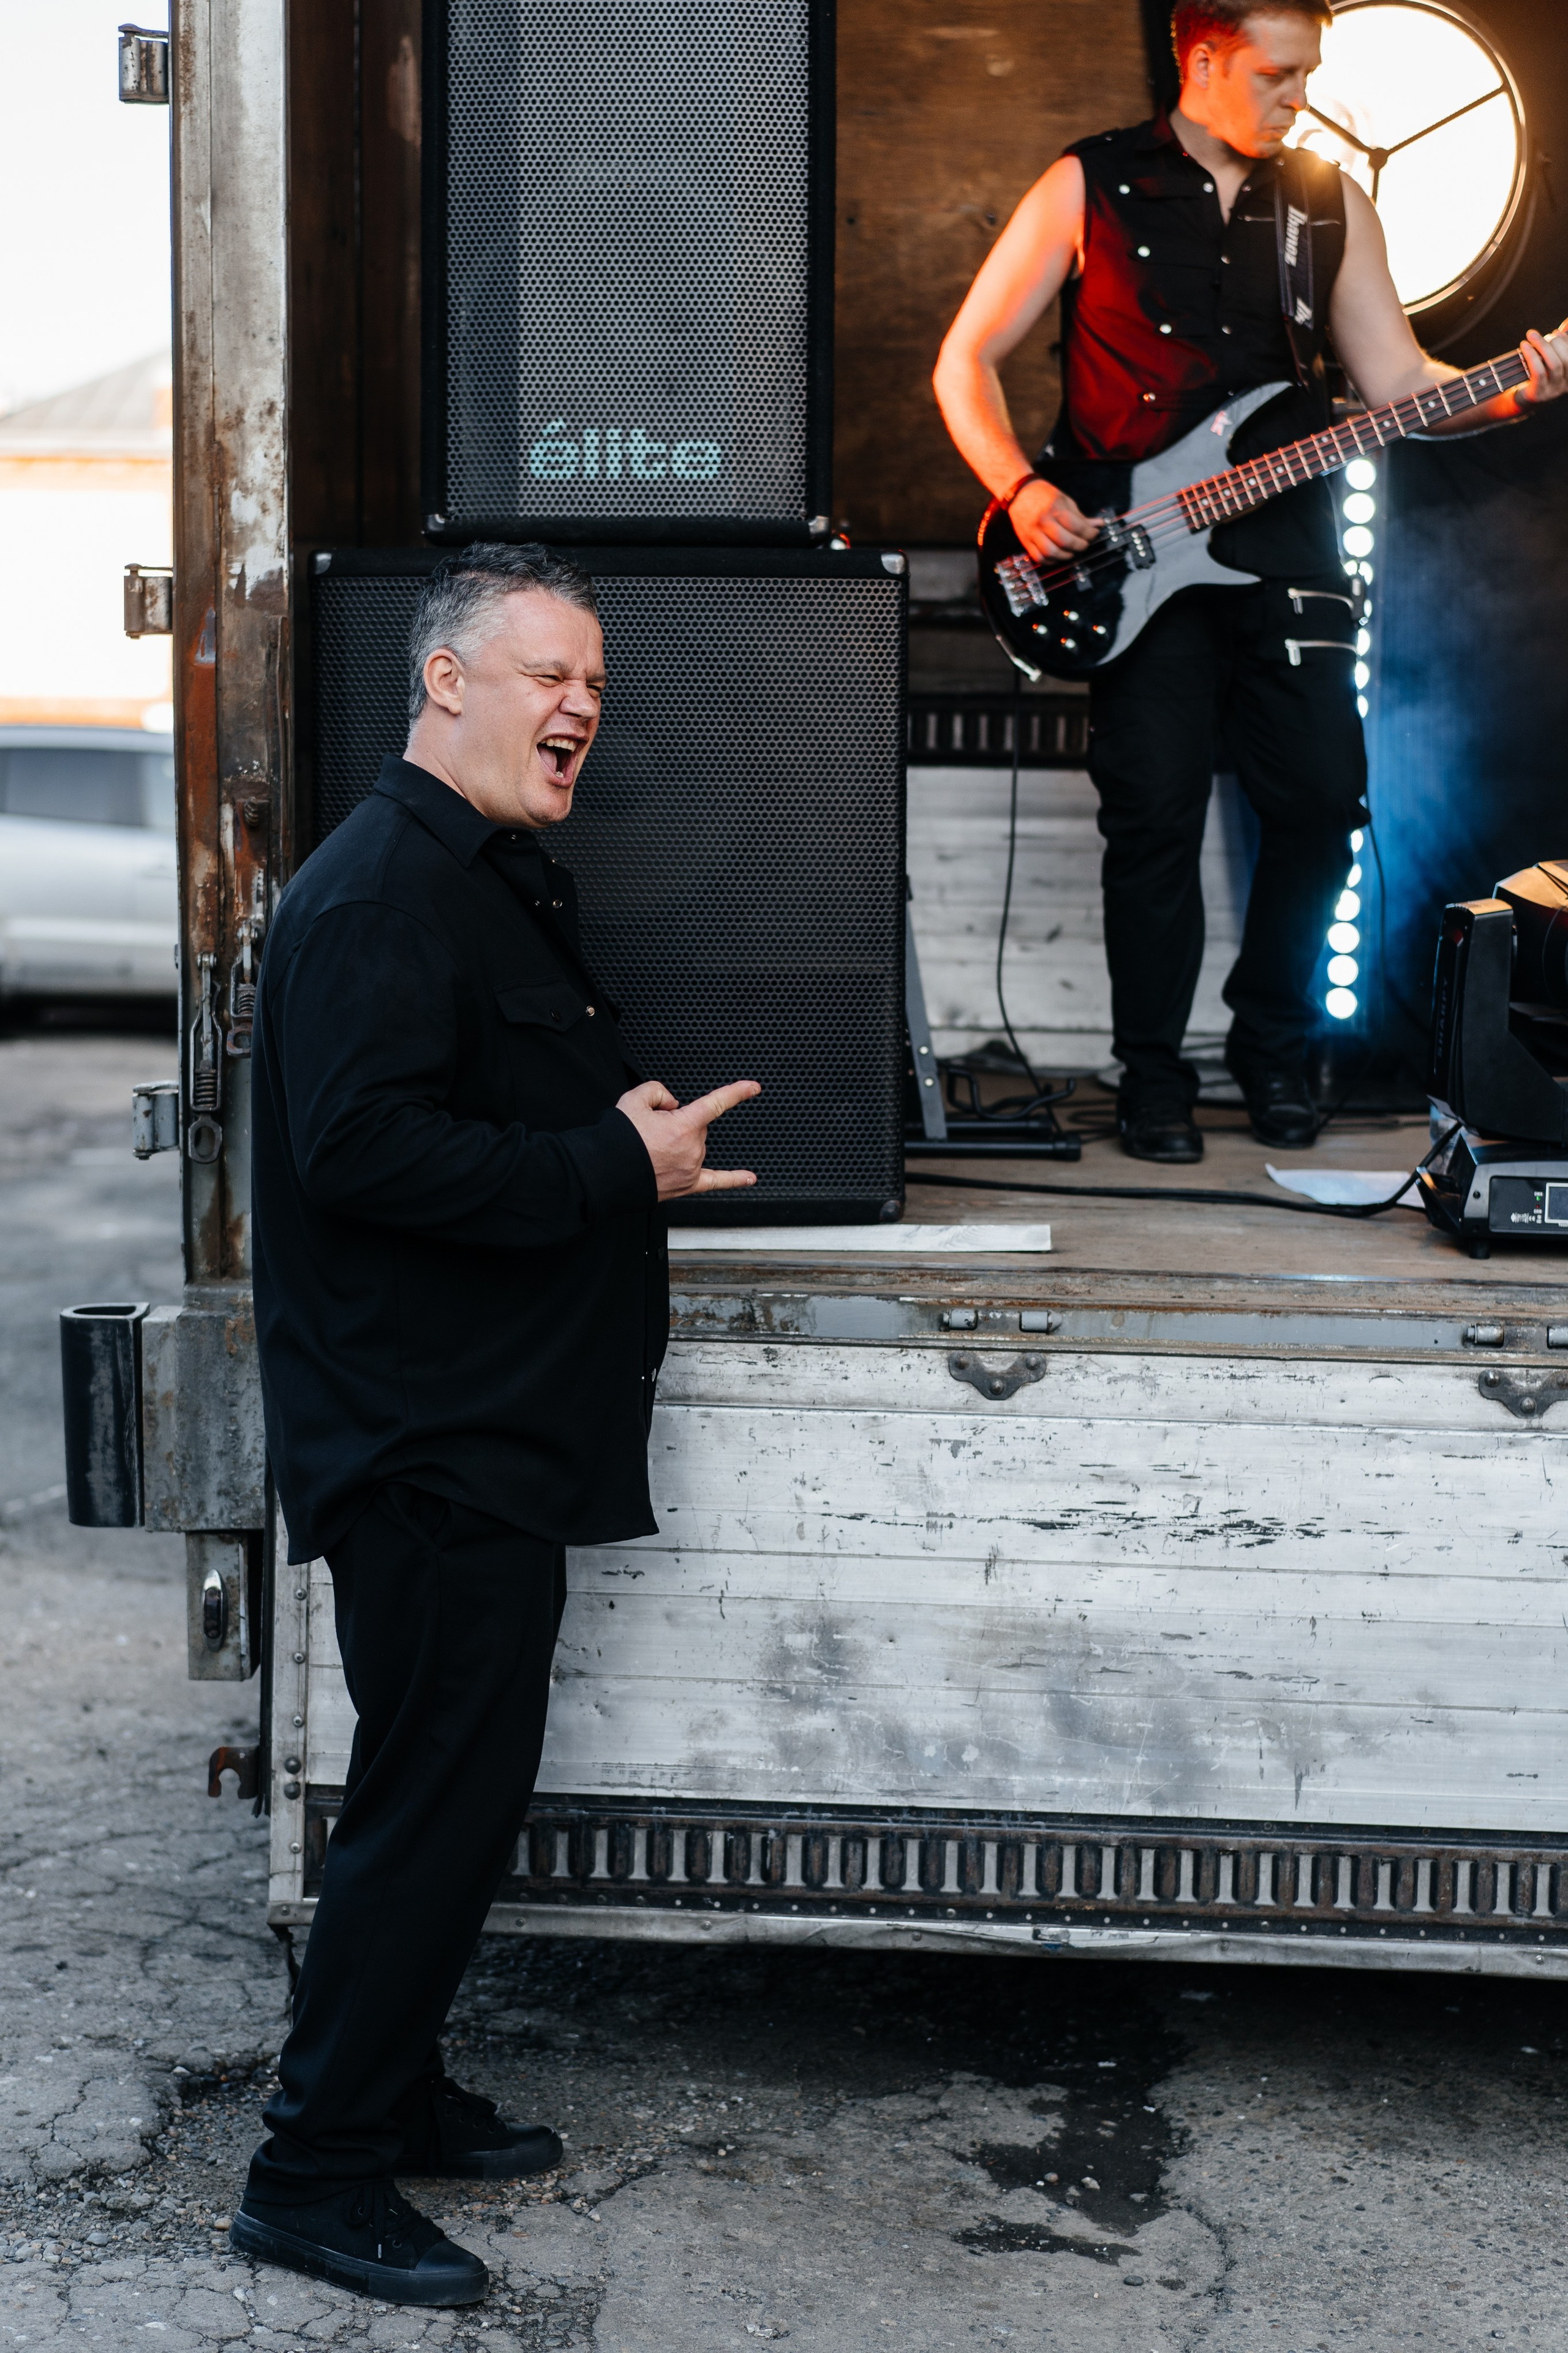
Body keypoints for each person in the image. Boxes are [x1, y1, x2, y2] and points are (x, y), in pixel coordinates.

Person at [233, 543, 760, 2307]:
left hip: (473, 1432)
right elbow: (360, 1151)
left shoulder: (478, 877)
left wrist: (590, 1121)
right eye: (549, 675)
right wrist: (616, 1160)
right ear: (445, 679)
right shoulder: (387, 890)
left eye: (594, 684)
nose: (582, 708)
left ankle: (384, 2093)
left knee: (438, 1790)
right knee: (433, 1808)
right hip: (427, 1441)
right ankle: (312, 2173)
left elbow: (443, 1104)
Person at [934, 0, 1568, 1161]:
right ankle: (1155, 1080)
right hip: (1129, 558)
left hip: (1288, 557)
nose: (1299, 99)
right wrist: (1024, 491)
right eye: (1279, 75)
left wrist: (1520, 383)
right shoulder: (1090, 183)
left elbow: (1397, 381)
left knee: (1324, 807)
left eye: (1308, 75)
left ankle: (1276, 1053)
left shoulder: (1327, 199)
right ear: (1206, 58)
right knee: (1154, 821)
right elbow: (964, 356)